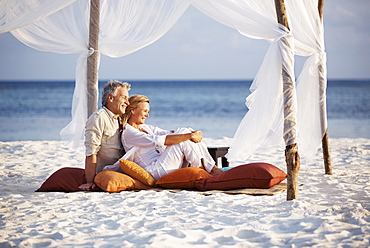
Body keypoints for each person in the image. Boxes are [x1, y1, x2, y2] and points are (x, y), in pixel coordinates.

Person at [119, 94, 223, 180]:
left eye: (148, 112)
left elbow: (169, 133)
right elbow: (162, 140)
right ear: (132, 110)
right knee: (184, 135)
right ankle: (206, 170)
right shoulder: (129, 133)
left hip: (165, 164)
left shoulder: (146, 127)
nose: (147, 115)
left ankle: (207, 169)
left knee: (184, 132)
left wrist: (194, 132)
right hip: (155, 171)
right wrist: (190, 135)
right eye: (145, 111)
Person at [79, 80, 131, 191]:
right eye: (124, 98)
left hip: (122, 168)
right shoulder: (98, 118)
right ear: (110, 98)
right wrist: (90, 182)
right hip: (107, 172)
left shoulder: (120, 118)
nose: (127, 103)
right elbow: (91, 152)